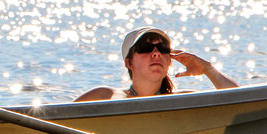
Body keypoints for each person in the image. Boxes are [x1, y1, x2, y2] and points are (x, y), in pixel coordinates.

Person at [74, 26, 237, 101]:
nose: (156, 53)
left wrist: (208, 69)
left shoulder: (184, 100)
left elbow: (241, 104)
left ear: (169, 61)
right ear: (129, 63)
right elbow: (55, 123)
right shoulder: (104, 96)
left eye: (162, 48)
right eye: (145, 48)